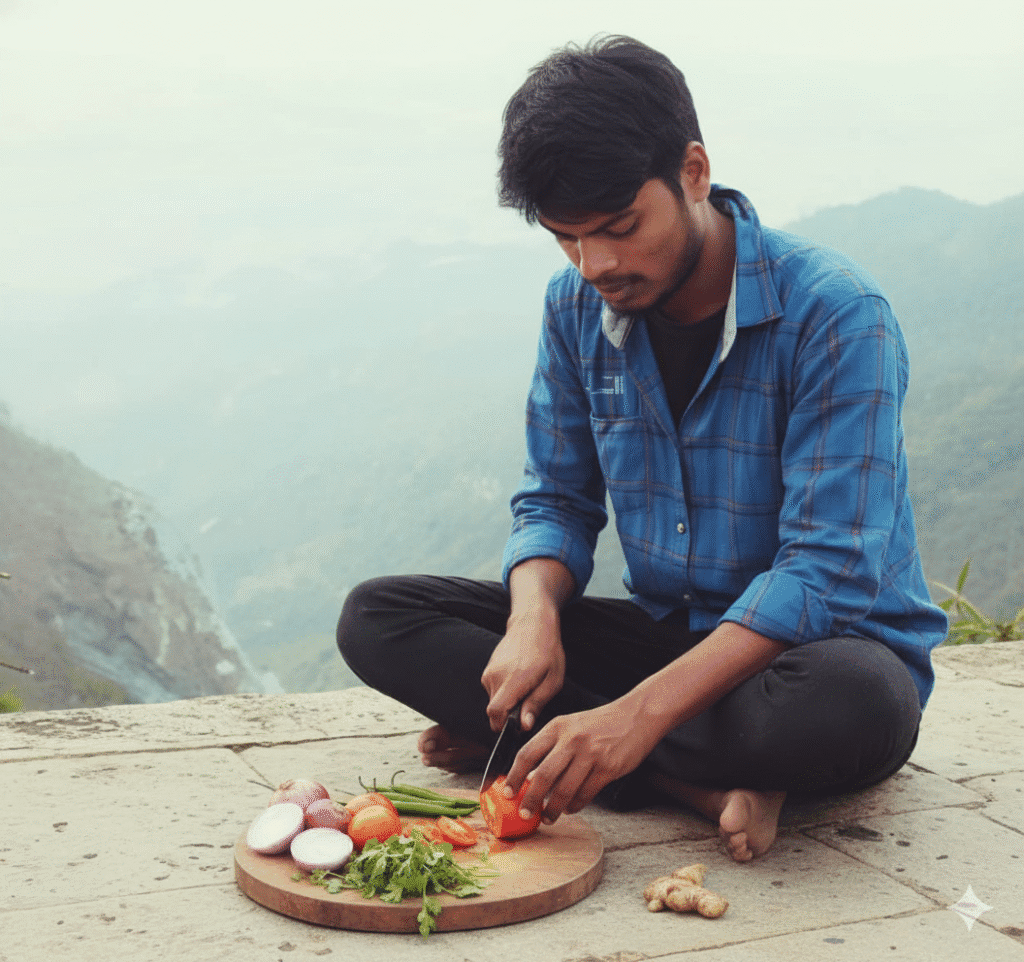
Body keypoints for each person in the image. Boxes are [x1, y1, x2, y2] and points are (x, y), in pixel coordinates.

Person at [337, 35, 948, 861]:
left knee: (854, 703)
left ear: (692, 172)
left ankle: (578, 747)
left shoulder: (837, 315)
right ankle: (688, 783)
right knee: (379, 617)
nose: (596, 264)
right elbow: (556, 499)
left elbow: (825, 569)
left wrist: (635, 716)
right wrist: (533, 619)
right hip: (669, 638)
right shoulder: (574, 308)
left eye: (621, 227)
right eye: (566, 237)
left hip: (806, 656)